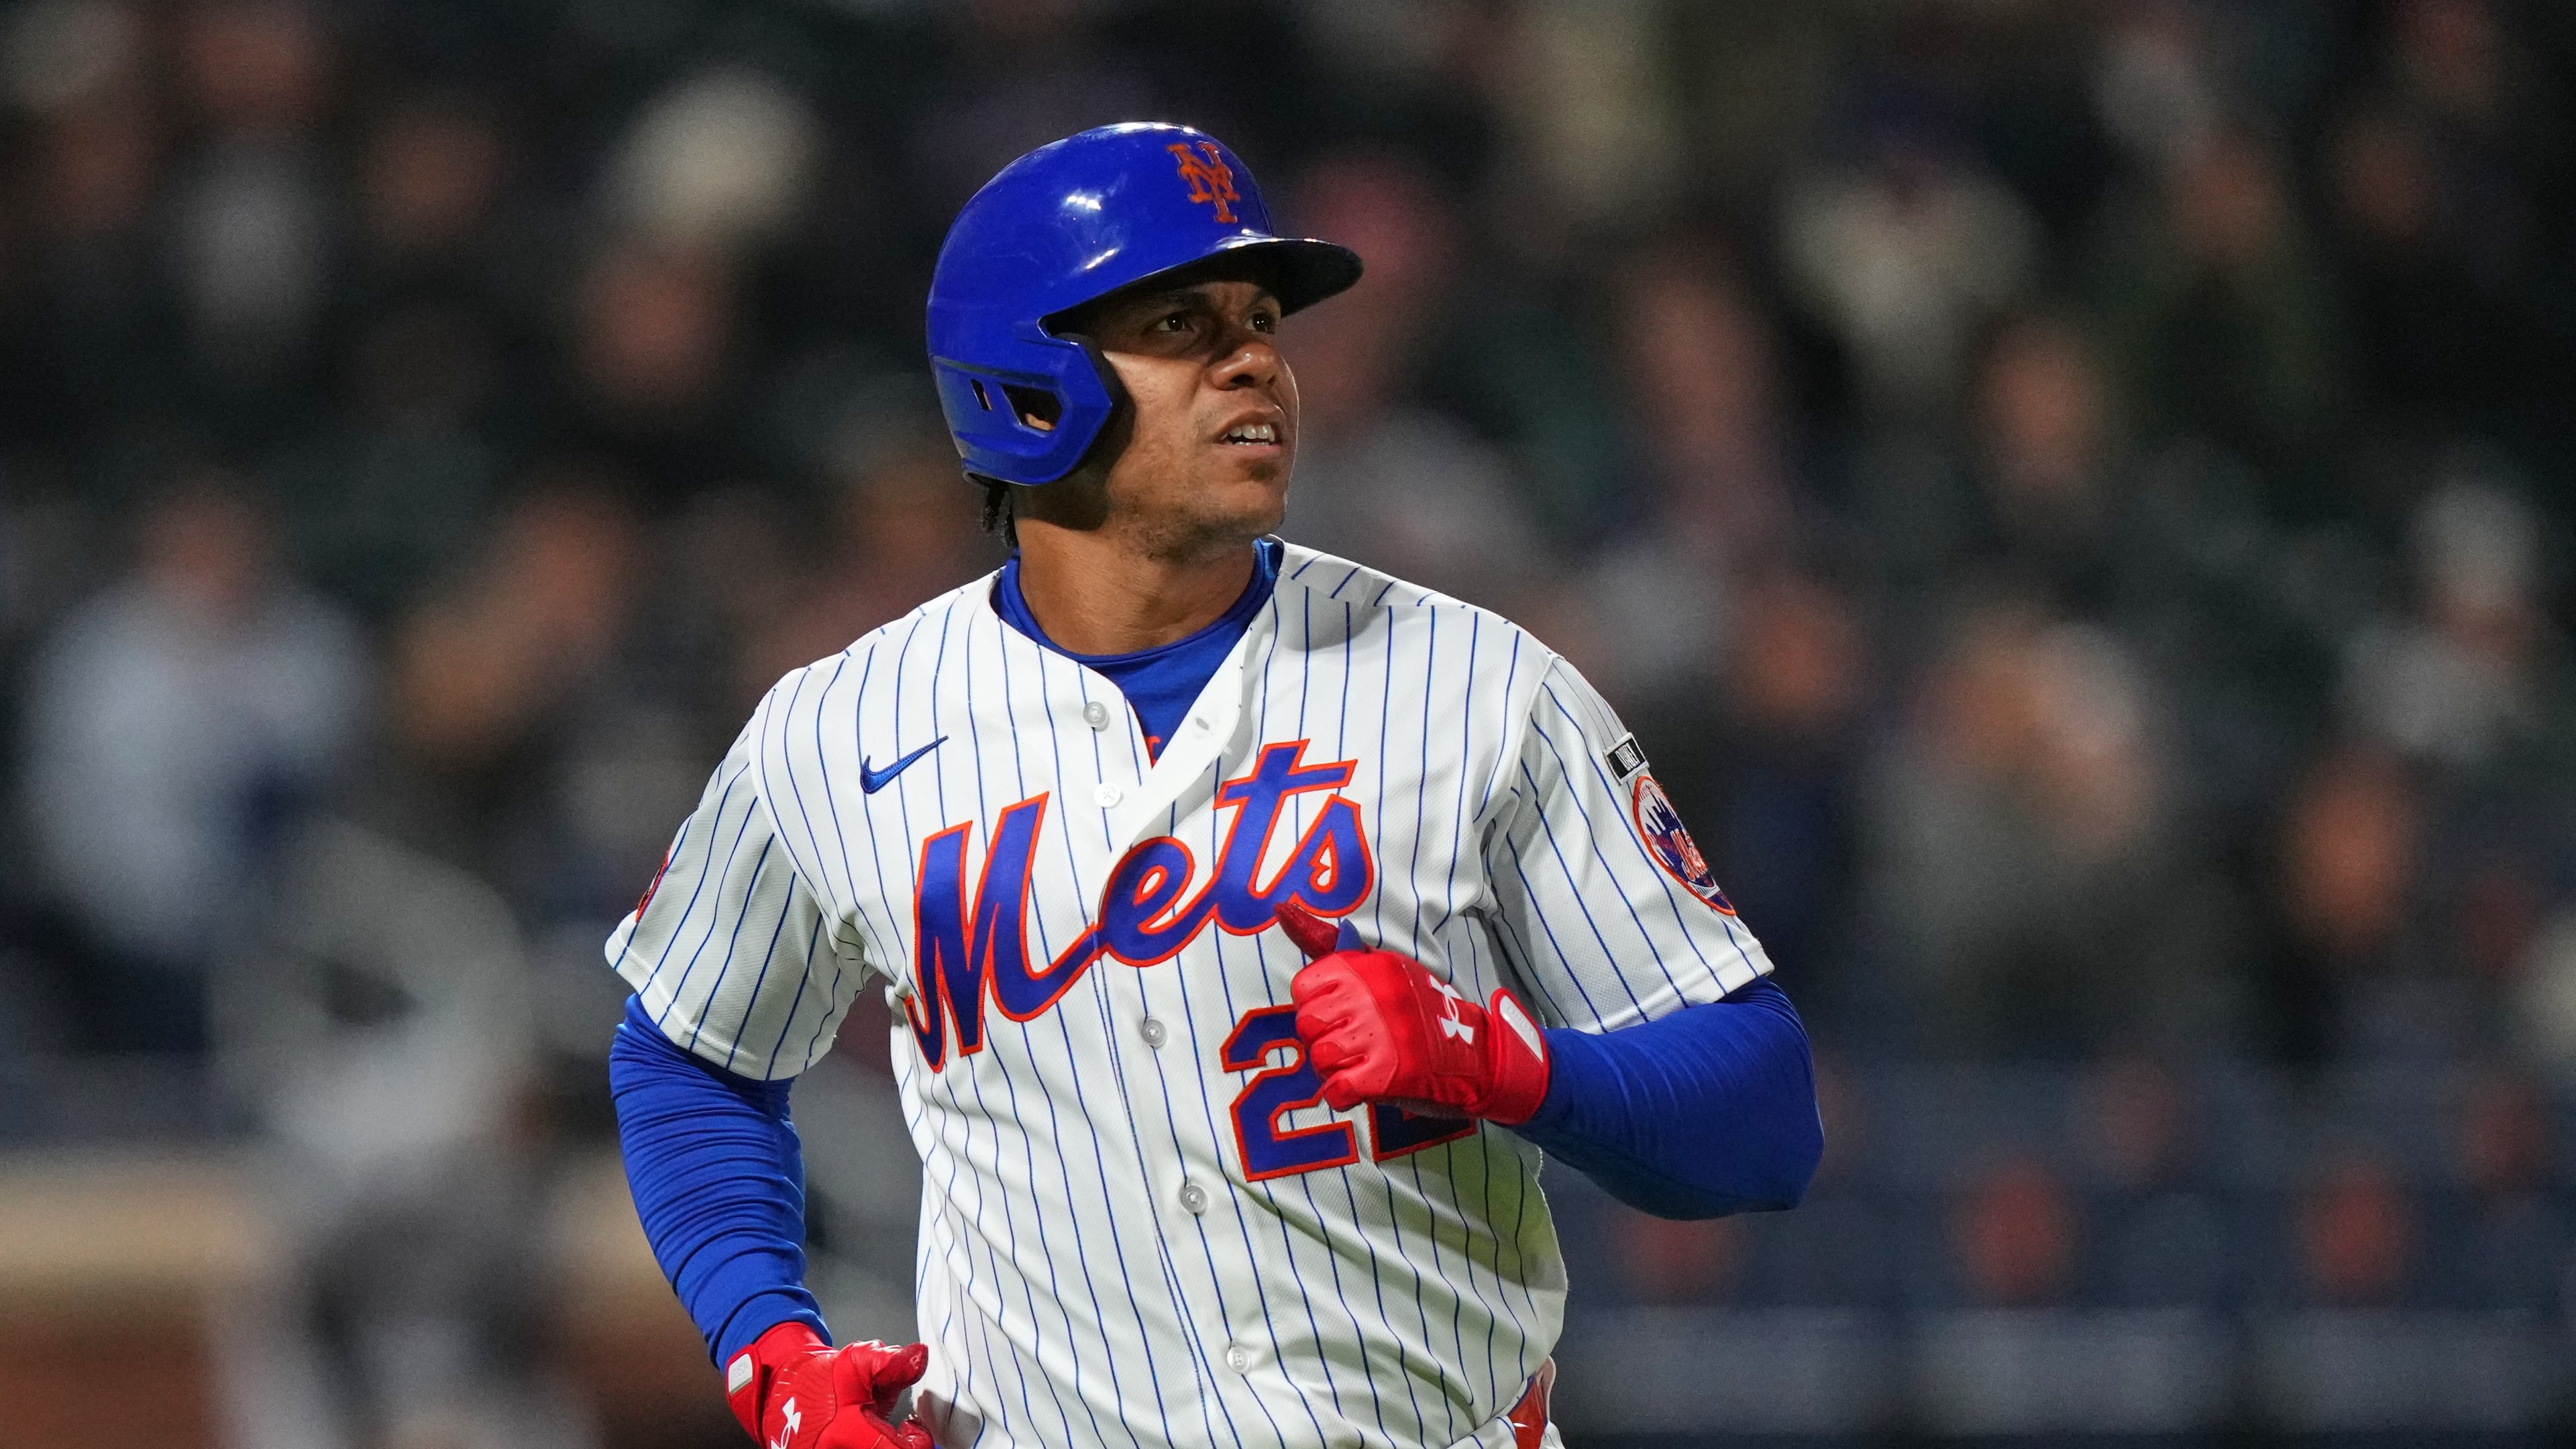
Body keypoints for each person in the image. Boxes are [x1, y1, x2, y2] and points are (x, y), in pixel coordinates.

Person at [606, 123, 1822, 1449]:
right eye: (1183, 322)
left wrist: (1512, 1070)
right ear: (1027, 381)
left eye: (1261, 319)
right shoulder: (837, 730)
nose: (1257, 359)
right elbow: (690, 1059)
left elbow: (1763, 1117)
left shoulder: (1479, 688)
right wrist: (770, 1348)